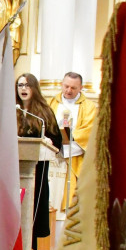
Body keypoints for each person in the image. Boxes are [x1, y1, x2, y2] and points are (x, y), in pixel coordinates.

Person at [15, 74, 62, 250]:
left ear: (34, 88)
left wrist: (49, 142)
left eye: (27, 85)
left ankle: (28, 248)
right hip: (13, 169)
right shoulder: (12, 110)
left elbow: (56, 141)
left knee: (32, 209)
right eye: (20, 85)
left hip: (36, 172)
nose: (23, 89)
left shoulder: (44, 113)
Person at [47, 71, 98, 206]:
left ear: (81, 88)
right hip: (51, 156)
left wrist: (65, 147)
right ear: (61, 84)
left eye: (73, 88)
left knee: (69, 200)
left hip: (74, 160)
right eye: (66, 86)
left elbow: (89, 132)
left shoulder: (89, 107)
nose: (68, 91)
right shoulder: (51, 103)